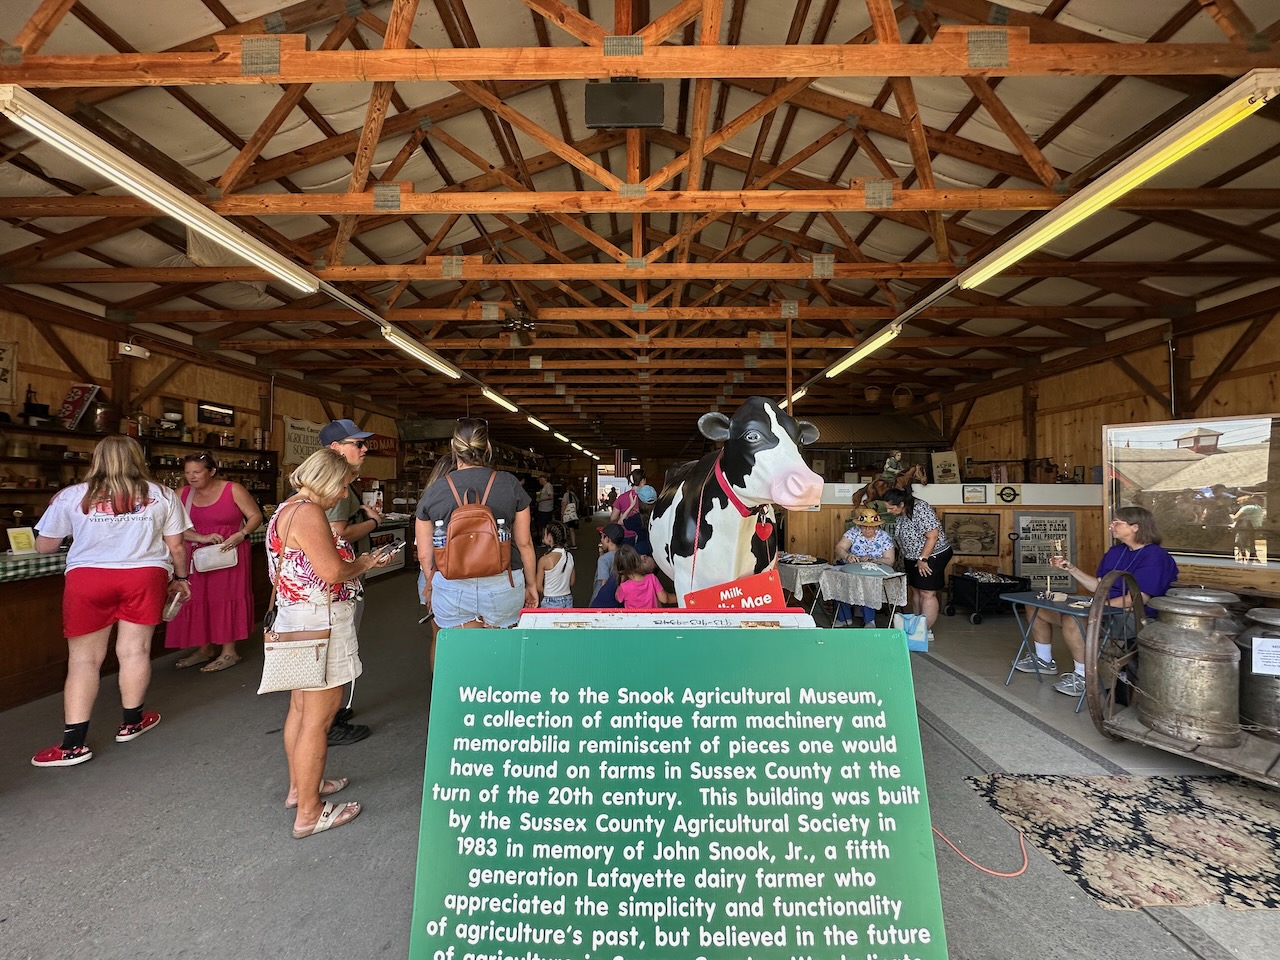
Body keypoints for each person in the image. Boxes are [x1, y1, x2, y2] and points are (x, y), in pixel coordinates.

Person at [30, 435, 191, 767]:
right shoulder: (163, 494)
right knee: (135, 651)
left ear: (96, 459)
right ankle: (132, 723)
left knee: (84, 661)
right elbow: (177, 545)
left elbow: (45, 546)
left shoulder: (72, 495)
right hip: (144, 575)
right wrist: (181, 578)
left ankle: (73, 745)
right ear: (138, 458)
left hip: (88, 578)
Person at [266, 448, 389, 837]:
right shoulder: (308, 514)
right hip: (322, 623)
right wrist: (366, 562)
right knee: (318, 721)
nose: (340, 496)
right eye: (341, 486)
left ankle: (300, 788)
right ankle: (310, 812)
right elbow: (332, 571)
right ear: (326, 480)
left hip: (296, 620)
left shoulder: (285, 509)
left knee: (301, 710)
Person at [1015, 505, 1178, 697]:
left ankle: (1084, 678)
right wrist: (1070, 568)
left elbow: (1138, 598)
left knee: (1073, 618)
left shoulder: (1155, 556)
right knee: (1036, 607)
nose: (1111, 526)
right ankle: (1044, 660)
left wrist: (1095, 606)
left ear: (1135, 527)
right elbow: (1098, 586)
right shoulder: (1116, 551)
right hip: (1105, 605)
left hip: (1134, 616)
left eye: (1116, 522)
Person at [415, 417, 538, 630]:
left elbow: (425, 555)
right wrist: (531, 584)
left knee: (461, 649)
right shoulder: (509, 484)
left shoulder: (436, 489)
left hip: (452, 585)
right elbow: (524, 543)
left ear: (453, 447)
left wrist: (432, 587)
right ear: (487, 446)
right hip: (503, 583)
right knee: (499, 648)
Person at [166, 452, 262, 672]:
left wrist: (242, 534)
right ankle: (204, 648)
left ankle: (229, 652)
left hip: (228, 552)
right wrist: (200, 537)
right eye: (188, 472)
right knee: (198, 598)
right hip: (195, 555)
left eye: (197, 472)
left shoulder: (233, 489)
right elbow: (172, 528)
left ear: (212, 471)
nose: (192, 477)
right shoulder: (181, 494)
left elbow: (255, 516)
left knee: (226, 597)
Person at [318, 418, 382, 746]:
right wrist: (372, 523)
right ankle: (328, 722)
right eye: (357, 443)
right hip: (338, 585)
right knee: (338, 651)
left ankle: (330, 714)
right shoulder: (336, 486)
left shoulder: (327, 484)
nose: (364, 448)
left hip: (329, 586)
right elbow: (338, 533)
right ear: (335, 448)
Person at [882, 487, 953, 636]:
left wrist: (923, 559)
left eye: (891, 508)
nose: (888, 511)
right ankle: (917, 625)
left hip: (932, 555)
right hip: (912, 556)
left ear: (901, 504)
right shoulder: (902, 511)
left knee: (927, 592)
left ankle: (925, 631)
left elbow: (933, 536)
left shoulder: (920, 508)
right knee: (915, 589)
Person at [831, 506, 897, 627]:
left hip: (873, 572)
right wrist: (847, 556)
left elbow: (890, 561)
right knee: (840, 581)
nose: (867, 529)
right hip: (852, 568)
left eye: (871, 527)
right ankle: (844, 618)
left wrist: (874, 560)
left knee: (868, 585)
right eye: (864, 526)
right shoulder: (853, 532)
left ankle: (869, 620)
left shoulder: (884, 537)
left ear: (876, 526)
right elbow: (839, 548)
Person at [614, 543, 674, 608]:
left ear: (621, 571)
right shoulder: (652, 578)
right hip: (653, 614)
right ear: (638, 560)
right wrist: (679, 597)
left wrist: (622, 580)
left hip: (635, 615)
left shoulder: (624, 587)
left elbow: (618, 598)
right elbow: (664, 599)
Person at [536, 520, 575, 608]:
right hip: (568, 599)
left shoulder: (545, 559)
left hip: (551, 600)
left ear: (550, 537)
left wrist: (550, 593)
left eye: (545, 534)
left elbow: (538, 586)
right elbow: (571, 581)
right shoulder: (569, 556)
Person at [591, 522, 626, 607]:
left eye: (602, 537)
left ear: (607, 539)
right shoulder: (624, 554)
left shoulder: (603, 560)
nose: (601, 540)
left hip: (602, 601)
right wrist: (602, 554)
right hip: (618, 599)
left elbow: (604, 584)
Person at [1231, 495, 1264, 562]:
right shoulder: (1258, 507)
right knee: (1251, 543)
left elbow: (1235, 518)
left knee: (1239, 543)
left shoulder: (1246, 508)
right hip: (1255, 527)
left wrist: (1230, 515)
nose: (1238, 503)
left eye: (1239, 501)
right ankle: (1253, 558)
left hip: (1245, 528)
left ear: (1243, 501)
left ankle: (1243, 557)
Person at [560, 483, 580, 548]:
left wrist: (562, 513)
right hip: (573, 515)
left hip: (567, 515)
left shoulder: (566, 495)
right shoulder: (575, 496)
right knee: (572, 529)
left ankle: (565, 544)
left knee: (565, 529)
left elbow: (564, 504)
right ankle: (574, 544)